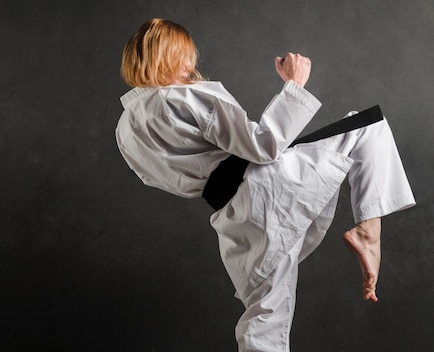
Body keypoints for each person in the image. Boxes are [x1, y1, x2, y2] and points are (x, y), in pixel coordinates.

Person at [115, 18, 416, 351]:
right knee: (366, 125)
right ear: (165, 57)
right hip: (265, 187)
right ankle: (368, 229)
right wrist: (294, 86)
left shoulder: (126, 130)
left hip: (235, 217)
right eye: (183, 56)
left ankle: (367, 231)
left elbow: (156, 177)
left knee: (266, 316)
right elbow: (263, 146)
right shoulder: (184, 98)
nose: (190, 65)